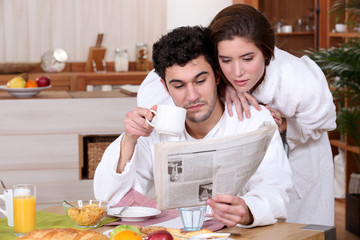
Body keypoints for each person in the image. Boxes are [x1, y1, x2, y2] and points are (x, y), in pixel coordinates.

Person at [137, 5, 337, 226]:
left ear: (267, 53)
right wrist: (223, 88)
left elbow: (323, 122)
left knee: (303, 223)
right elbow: (156, 92)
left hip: (304, 155)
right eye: (226, 61)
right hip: (248, 161)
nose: (237, 72)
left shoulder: (297, 80)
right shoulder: (212, 73)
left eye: (248, 59)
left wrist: (279, 125)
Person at [94, 26, 292, 228]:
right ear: (165, 86)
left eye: (200, 81)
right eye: (179, 86)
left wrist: (247, 211)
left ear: (216, 76)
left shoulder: (254, 120)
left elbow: (276, 191)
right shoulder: (157, 124)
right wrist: (129, 139)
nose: (192, 96)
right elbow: (110, 199)